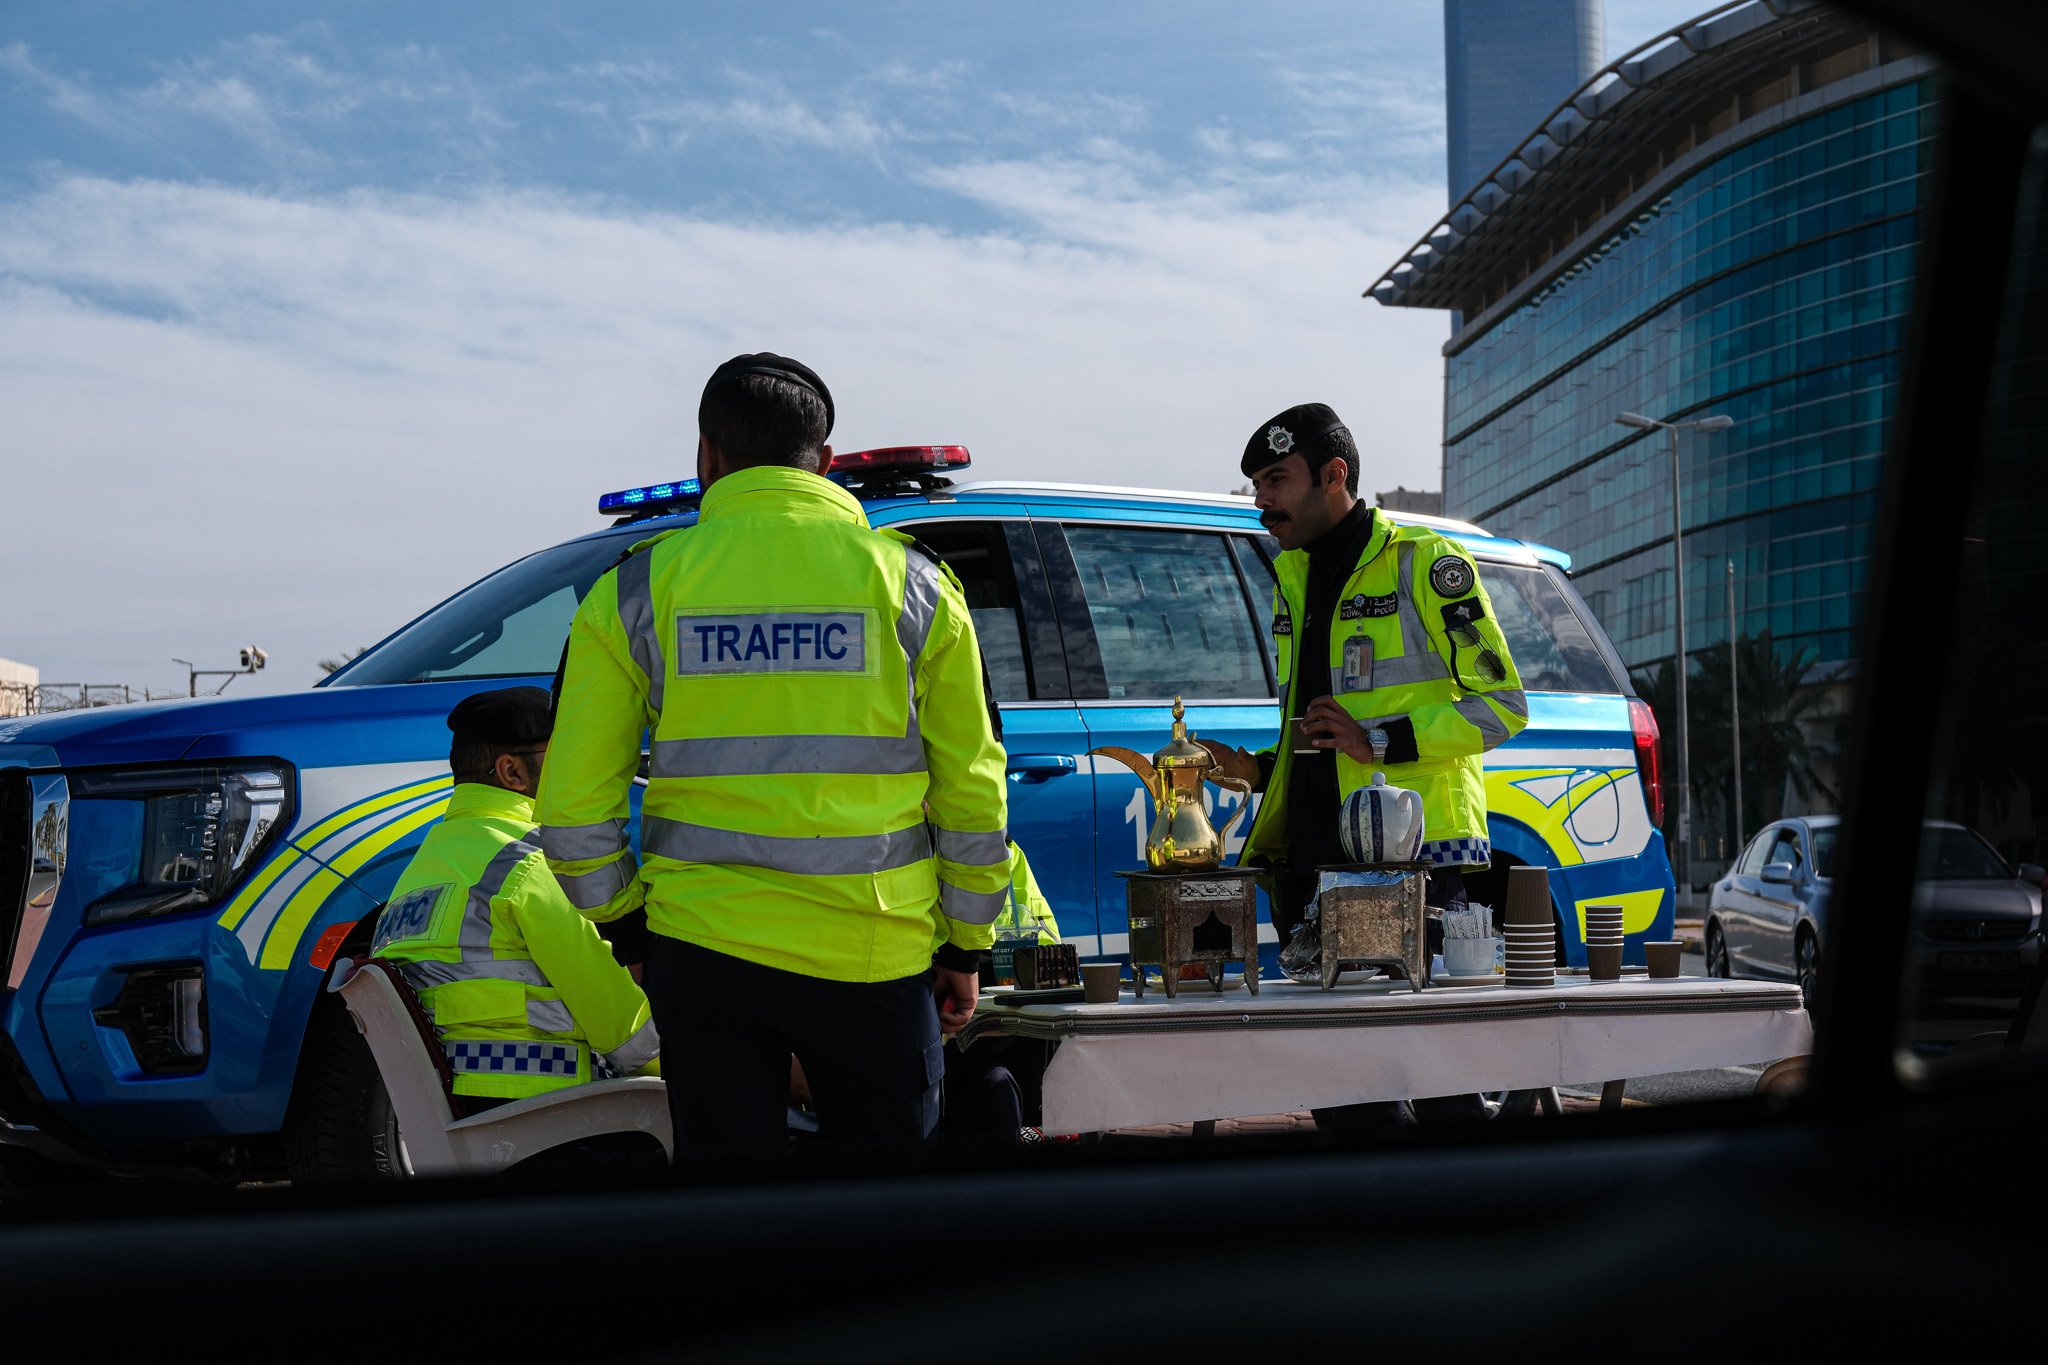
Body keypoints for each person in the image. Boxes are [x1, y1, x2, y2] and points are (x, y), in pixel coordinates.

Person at [537, 352, 1010, 1152]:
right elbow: (971, 790)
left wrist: (629, 933)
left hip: (702, 950)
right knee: (894, 1205)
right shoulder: (916, 587)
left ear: (707, 455)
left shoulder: (636, 591)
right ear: (824, 462)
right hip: (874, 949)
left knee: (732, 1222)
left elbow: (572, 812)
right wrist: (967, 940)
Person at [1203, 403, 1528, 1127]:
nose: (1262, 501)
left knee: (1440, 1083)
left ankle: (1481, 1223)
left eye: (1276, 480)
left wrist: (1377, 740)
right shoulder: (1290, 574)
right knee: (1342, 1091)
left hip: (1410, 864)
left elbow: (1503, 705)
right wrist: (1256, 770)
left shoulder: (1426, 562)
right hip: (1312, 864)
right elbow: (1319, 730)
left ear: (1335, 475)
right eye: (1257, 483)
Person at [374, 687, 660, 1110]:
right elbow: (630, 1038)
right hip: (551, 1118)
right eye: (562, 755)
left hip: (458, 1119)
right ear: (511, 772)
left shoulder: (418, 872)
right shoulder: (533, 864)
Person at [940, 841, 1059, 1145]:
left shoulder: (1008, 852)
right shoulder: (910, 851)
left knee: (998, 1085)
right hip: (946, 1035)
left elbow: (1049, 954)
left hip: (995, 1029)